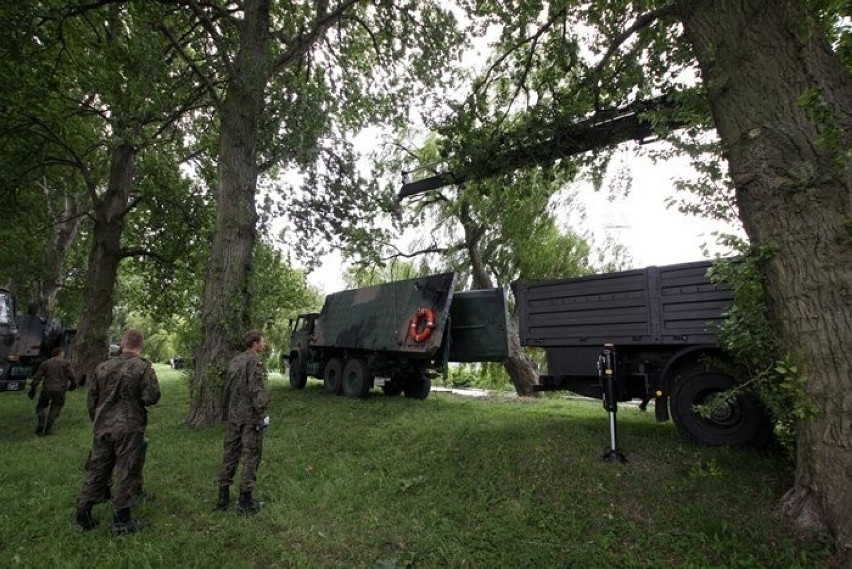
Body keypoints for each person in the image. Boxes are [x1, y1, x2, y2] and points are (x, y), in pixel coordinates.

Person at [74, 329, 161, 535]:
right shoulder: (143, 367)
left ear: (123, 344)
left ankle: (82, 516)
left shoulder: (102, 366)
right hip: (129, 427)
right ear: (140, 346)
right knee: (126, 471)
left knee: (97, 469)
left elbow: (92, 400)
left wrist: (98, 419)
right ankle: (121, 521)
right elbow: (152, 397)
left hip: (103, 426)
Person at [216, 330, 269, 515]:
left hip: (234, 416)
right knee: (250, 456)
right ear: (255, 343)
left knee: (230, 454)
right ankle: (245, 502)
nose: (264, 344)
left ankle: (222, 498)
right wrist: (262, 413)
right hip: (249, 417)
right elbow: (256, 389)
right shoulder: (254, 361)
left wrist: (226, 412)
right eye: (262, 341)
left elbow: (227, 390)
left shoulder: (235, 361)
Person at [28, 347, 76, 435]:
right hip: (60, 389)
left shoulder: (45, 363)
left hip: (47, 388)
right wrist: (73, 385)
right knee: (56, 407)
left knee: (41, 406)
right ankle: (48, 427)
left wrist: (33, 388)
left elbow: (38, 377)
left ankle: (41, 422)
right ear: (60, 353)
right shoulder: (66, 363)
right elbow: (72, 376)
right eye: (63, 353)